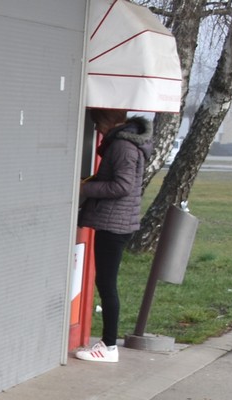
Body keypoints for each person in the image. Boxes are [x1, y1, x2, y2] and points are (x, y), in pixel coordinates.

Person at [76, 109, 153, 363]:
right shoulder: (128, 142)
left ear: (109, 120)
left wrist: (85, 187)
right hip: (118, 221)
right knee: (106, 283)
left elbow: (122, 185)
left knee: (107, 284)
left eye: (98, 124)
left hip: (114, 223)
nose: (97, 130)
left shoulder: (122, 145)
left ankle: (108, 345)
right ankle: (107, 345)